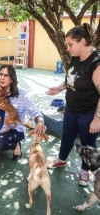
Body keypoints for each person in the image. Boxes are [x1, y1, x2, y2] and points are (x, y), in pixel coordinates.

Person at [46, 23, 100, 187]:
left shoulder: (96, 64)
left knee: (87, 143)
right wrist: (61, 87)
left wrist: (97, 119)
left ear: (82, 41)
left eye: (70, 44)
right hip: (71, 108)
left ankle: (85, 171)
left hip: (89, 112)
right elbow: (72, 77)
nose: (68, 48)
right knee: (67, 136)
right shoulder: (76, 57)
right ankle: (61, 160)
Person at [0, 65, 45, 161]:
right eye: (0, 74)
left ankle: (15, 145)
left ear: (12, 79)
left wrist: (40, 122)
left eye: (6, 75)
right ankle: (0, 142)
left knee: (0, 142)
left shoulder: (22, 94)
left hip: (15, 129)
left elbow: (34, 111)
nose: (2, 78)